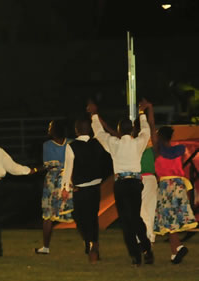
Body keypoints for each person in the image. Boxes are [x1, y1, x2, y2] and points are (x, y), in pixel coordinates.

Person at [89, 100, 153, 266]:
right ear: (132, 130)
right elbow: (146, 131)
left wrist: (94, 115)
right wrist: (141, 114)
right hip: (135, 183)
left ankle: (135, 255)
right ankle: (147, 249)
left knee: (126, 220)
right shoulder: (138, 143)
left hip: (121, 184)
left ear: (118, 131)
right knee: (136, 217)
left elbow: (99, 133)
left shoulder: (114, 144)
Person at [60, 118, 113, 263]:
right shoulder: (97, 143)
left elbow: (68, 168)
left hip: (80, 188)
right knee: (92, 217)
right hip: (96, 187)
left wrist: (64, 188)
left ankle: (90, 242)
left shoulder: (72, 146)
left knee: (79, 217)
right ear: (89, 129)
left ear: (76, 130)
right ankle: (92, 243)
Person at [152, 124, 197, 263]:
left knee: (168, 220)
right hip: (179, 185)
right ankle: (175, 252)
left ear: (159, 137)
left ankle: (179, 247)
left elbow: (152, 127)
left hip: (166, 186)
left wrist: (149, 110)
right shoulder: (179, 150)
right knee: (173, 219)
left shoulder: (158, 151)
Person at [35, 120, 73, 254]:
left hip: (52, 182)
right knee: (76, 212)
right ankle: (89, 244)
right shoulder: (71, 143)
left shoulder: (47, 145)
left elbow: (48, 164)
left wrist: (34, 170)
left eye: (50, 127)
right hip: (69, 179)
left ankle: (46, 247)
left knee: (47, 215)